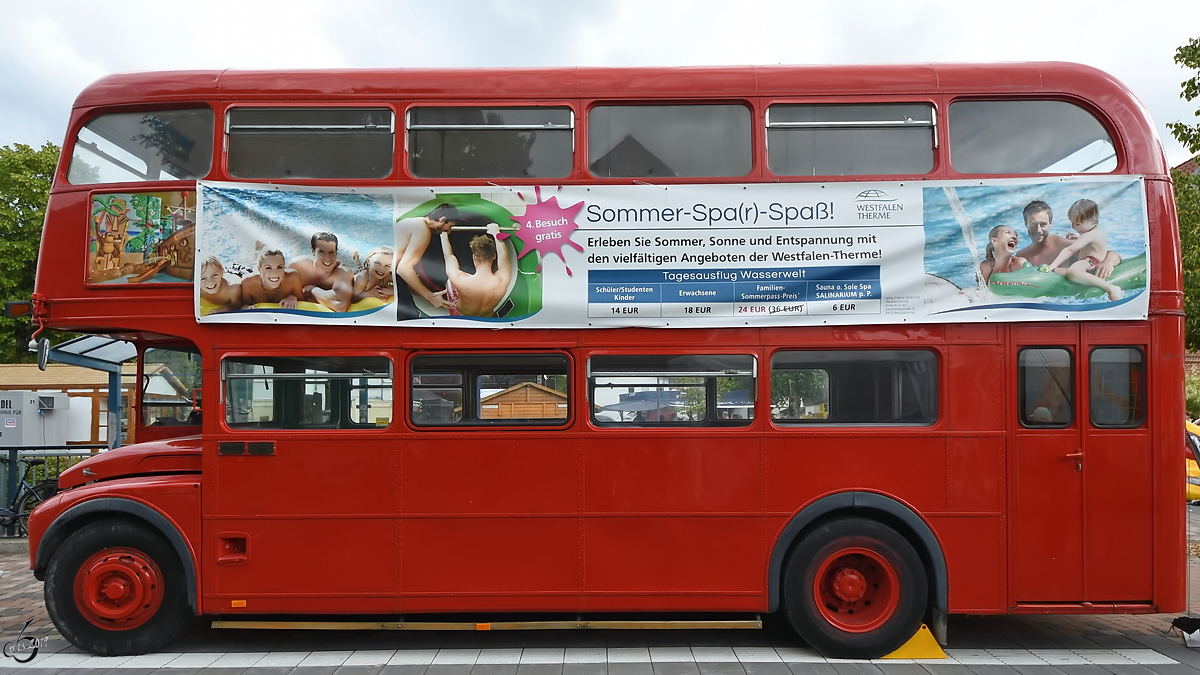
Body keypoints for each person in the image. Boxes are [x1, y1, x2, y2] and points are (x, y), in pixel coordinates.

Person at [1015, 200, 1120, 279]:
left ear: (1050, 224)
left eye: (1043, 224)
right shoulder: (1022, 256)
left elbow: (1106, 253)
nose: (1038, 230)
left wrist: (1108, 262)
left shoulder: (1065, 245)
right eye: (1033, 224)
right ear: (1026, 224)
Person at [394, 204, 465, 319]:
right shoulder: (422, 229)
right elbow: (403, 268)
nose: (449, 231)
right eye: (450, 226)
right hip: (393, 278)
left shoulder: (409, 222)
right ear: (442, 220)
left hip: (384, 274)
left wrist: (412, 285)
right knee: (409, 320)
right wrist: (430, 297)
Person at [1047, 199, 1123, 301]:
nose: (1074, 227)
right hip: (1091, 261)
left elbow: (1070, 250)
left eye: (1078, 224)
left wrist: (1053, 265)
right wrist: (1079, 238)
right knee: (1059, 272)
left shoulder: (1089, 235)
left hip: (1091, 261)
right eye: (1072, 223)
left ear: (1092, 220)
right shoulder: (1094, 231)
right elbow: (1093, 243)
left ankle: (1110, 288)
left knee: (1072, 272)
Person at [436, 222, 512, 317]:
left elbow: (448, 256)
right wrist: (496, 233)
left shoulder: (460, 280)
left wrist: (443, 234)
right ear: (494, 256)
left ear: (474, 257)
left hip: (462, 315)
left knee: (451, 281)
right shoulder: (503, 280)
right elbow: (504, 256)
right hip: (486, 317)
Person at [288, 232, 354, 312]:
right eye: (321, 252)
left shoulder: (342, 272)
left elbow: (340, 306)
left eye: (331, 253)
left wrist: (312, 290)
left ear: (336, 253)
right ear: (313, 251)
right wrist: (290, 296)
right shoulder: (297, 267)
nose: (327, 258)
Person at [240, 249, 304, 309]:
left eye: (279, 267)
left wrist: (293, 297)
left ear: (284, 267)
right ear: (259, 269)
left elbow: (303, 301)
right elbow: (243, 305)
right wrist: (247, 307)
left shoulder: (292, 278)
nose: (274, 274)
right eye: (268, 268)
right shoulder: (248, 283)